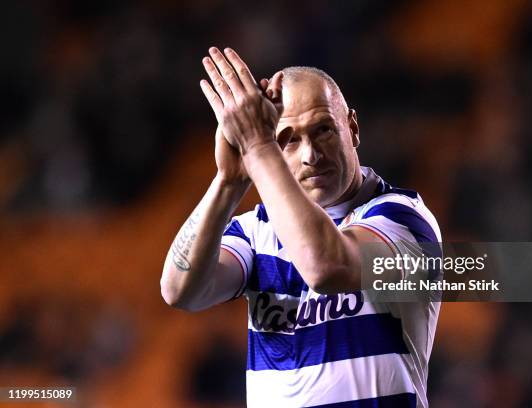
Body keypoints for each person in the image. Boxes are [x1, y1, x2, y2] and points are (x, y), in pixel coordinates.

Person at [160, 46, 442, 408]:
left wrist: (259, 146)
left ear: (352, 128)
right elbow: (179, 291)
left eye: (323, 129)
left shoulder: (402, 218)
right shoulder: (255, 231)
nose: (310, 154)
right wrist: (228, 181)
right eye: (288, 139)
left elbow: (325, 267)